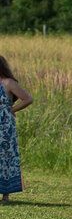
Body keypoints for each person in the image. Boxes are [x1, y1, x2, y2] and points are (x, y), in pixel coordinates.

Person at [0, 55, 33, 204]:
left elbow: (28, 99)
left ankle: (5, 195)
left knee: (5, 157)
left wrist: (12, 110)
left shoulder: (8, 83)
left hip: (4, 127)